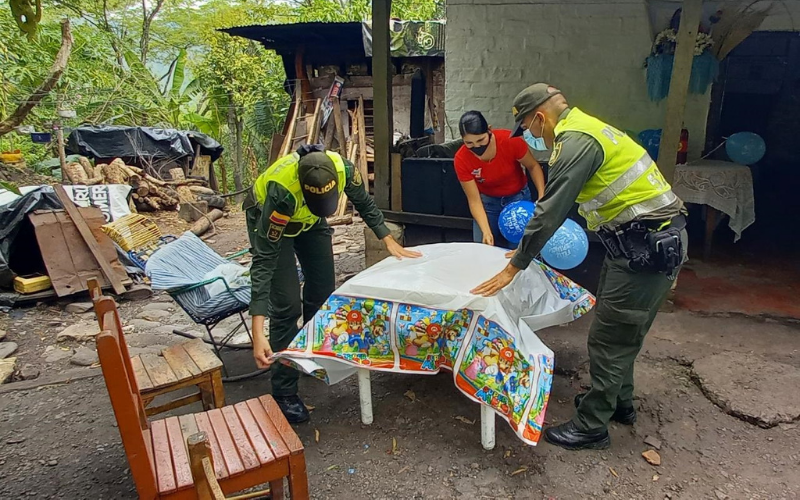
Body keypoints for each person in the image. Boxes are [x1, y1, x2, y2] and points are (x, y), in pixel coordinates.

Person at [471, 84, 687, 450]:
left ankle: (591, 426)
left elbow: (551, 209)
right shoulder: (589, 128)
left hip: (645, 250)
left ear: (540, 117)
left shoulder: (575, 143)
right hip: (641, 245)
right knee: (622, 331)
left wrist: (516, 265)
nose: (530, 136)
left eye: (528, 127)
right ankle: (619, 404)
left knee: (608, 339)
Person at [244, 145, 420, 423]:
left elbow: (364, 203)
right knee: (286, 305)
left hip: (309, 219)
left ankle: (311, 357)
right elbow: (264, 261)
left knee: (323, 290)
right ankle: (284, 392)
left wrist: (388, 239)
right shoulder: (282, 193)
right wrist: (257, 331)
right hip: (271, 219)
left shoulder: (344, 169)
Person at [455, 111, 546, 248]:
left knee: (519, 248)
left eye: (481, 140)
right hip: (487, 204)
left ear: (489, 130)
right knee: (482, 247)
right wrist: (486, 231)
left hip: (517, 198)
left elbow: (533, 166)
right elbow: (474, 200)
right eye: (469, 143)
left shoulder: (509, 140)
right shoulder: (461, 159)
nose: (477, 146)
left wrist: (541, 197)